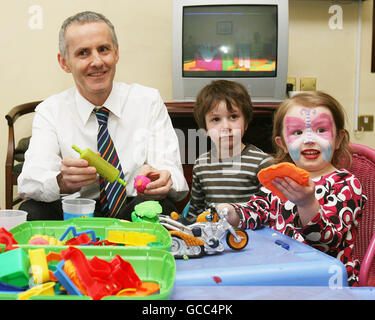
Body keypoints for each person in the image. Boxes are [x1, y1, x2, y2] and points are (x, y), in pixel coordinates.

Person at [18, 11, 189, 220]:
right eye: (83, 53)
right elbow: (29, 183)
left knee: (158, 206)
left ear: (116, 53)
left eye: (103, 49)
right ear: (64, 62)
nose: (97, 62)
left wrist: (162, 180)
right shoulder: (50, 110)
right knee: (32, 211)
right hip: (76, 210)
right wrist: (63, 182)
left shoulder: (148, 101)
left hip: (134, 209)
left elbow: (177, 182)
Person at [217, 91, 367, 286]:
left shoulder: (346, 183)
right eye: (297, 132)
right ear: (283, 144)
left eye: (321, 130)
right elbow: (256, 211)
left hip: (327, 282)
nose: (309, 139)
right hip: (280, 275)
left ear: (338, 139)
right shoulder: (281, 180)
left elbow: (326, 242)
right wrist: (231, 212)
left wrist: (307, 204)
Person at [185, 80, 273, 222]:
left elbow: (272, 212)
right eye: (216, 119)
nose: (225, 126)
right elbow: (195, 212)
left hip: (250, 236)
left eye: (233, 117)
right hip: (212, 236)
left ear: (246, 123)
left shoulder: (263, 163)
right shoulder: (201, 165)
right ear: (205, 128)